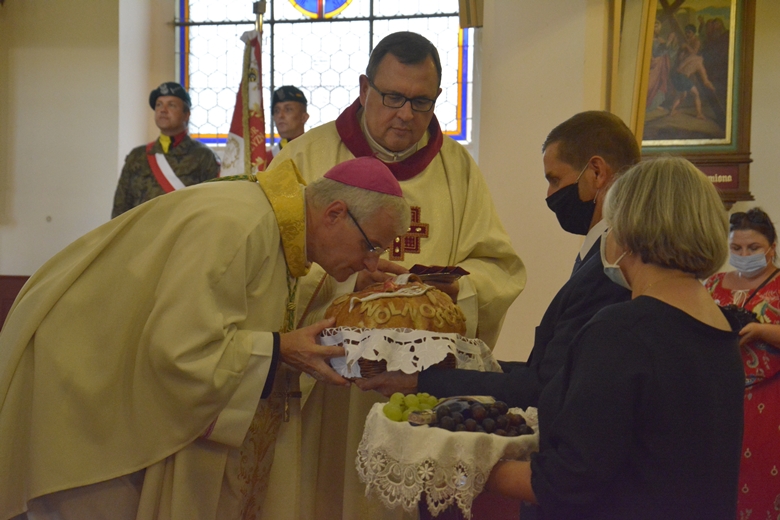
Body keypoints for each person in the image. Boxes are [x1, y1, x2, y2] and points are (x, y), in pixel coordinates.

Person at [0, 156, 411, 520]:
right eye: (370, 246)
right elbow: (180, 352)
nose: (373, 261)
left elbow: (254, 297)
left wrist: (351, 283)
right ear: (335, 213)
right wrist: (277, 350)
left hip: (107, 384)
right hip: (83, 394)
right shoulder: (236, 225)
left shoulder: (274, 223)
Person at [264, 31, 525, 520]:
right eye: (393, 97)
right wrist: (345, 286)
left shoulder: (457, 170)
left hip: (419, 388)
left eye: (421, 101)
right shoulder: (305, 158)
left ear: (438, 100)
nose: (405, 113)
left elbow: (500, 268)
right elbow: (267, 268)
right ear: (364, 89)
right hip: (330, 388)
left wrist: (455, 290)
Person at [486, 156, 744, 519]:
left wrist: (471, 470)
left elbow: (566, 483)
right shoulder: (719, 326)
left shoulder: (622, 331)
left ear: (627, 229)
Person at [357, 111, 638, 410]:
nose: (550, 195)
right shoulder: (603, 256)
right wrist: (450, 371)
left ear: (597, 172)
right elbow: (545, 373)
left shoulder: (611, 268)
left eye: (555, 179)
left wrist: (424, 382)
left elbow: (547, 386)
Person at [704, 207, 780, 519]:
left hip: (770, 400)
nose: (744, 254)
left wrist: (762, 331)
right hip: (718, 400)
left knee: (763, 479)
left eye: (753, 248)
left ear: (771, 249)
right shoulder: (712, 284)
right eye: (736, 248)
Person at [111, 81, 221, 218]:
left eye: (171, 105)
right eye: (159, 105)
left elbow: (212, 208)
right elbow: (120, 207)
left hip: (183, 236)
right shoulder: (137, 156)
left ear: (186, 114)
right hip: (143, 236)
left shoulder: (204, 156)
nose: (163, 110)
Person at [270, 85, 309, 157]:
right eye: (276, 111)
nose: (280, 115)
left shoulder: (315, 154)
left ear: (304, 117)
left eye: (288, 109)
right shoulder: (266, 159)